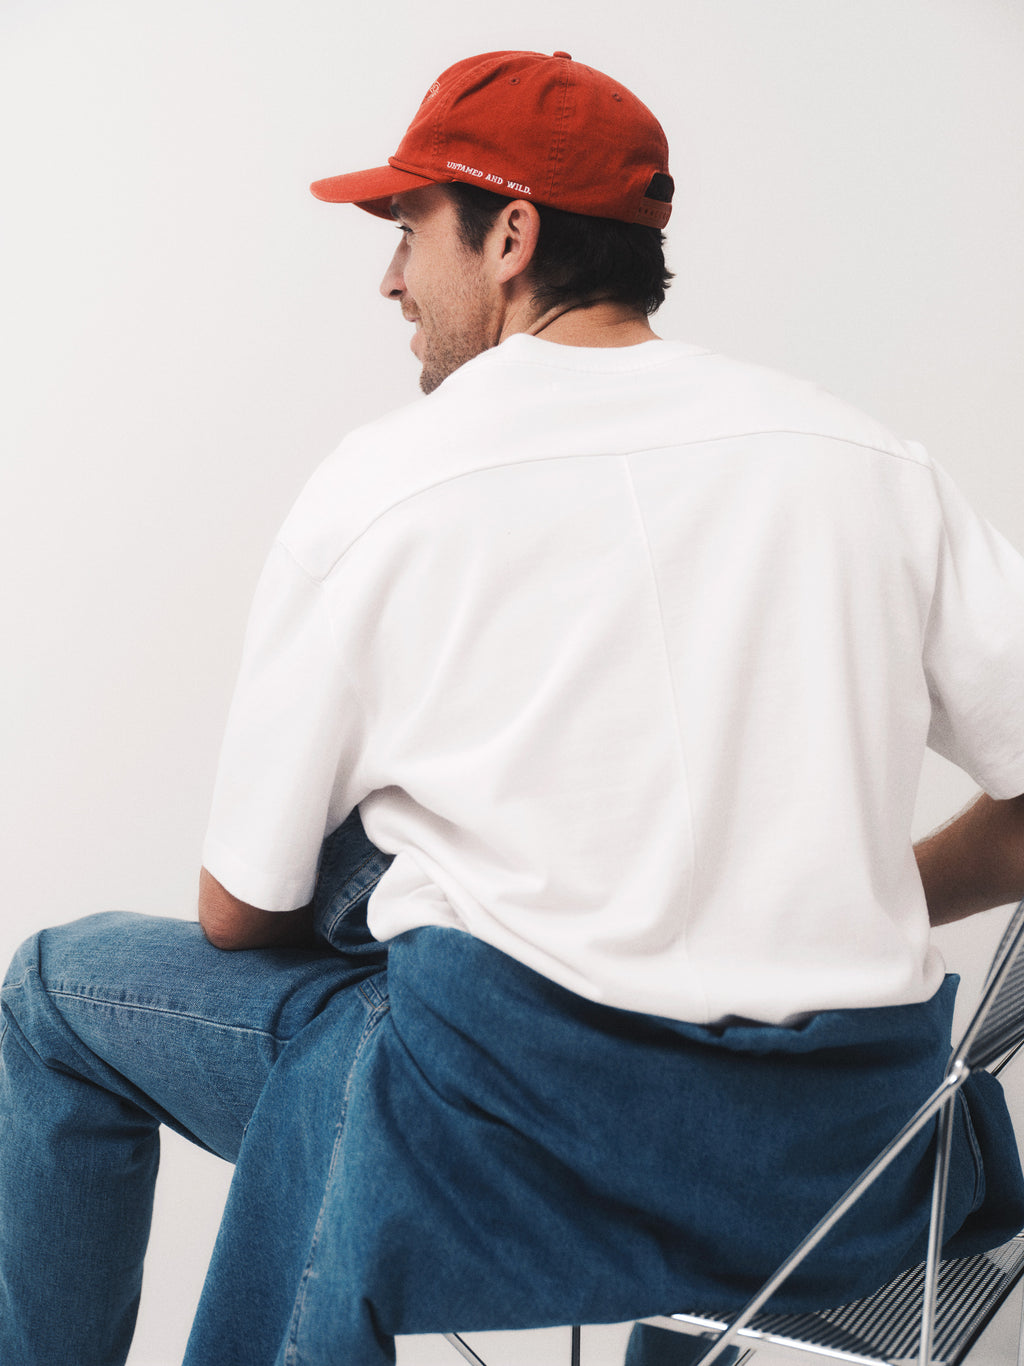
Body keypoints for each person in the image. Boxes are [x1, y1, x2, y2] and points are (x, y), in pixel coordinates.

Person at [2, 47, 1024, 1366]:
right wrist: (831, 892)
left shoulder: (389, 483)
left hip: (497, 1166)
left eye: (408, 229)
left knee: (53, 989)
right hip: (834, 1180)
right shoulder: (866, 465)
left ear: (512, 236)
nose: (388, 278)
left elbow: (235, 912)